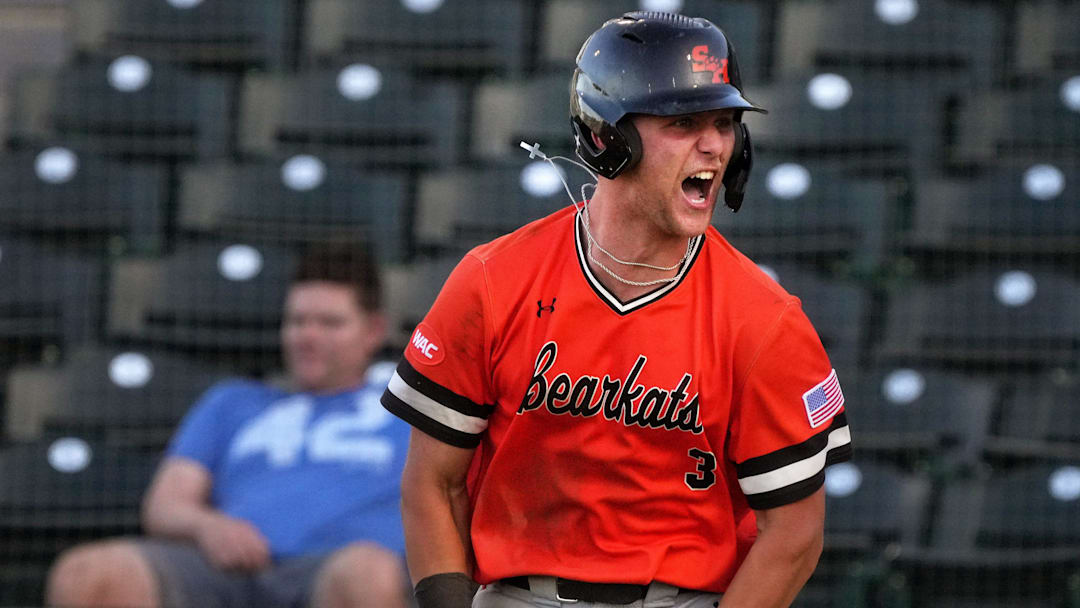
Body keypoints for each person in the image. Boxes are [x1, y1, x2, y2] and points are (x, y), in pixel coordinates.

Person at [381, 11, 853, 608]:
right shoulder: (492, 281)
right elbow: (432, 483)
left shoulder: (765, 320)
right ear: (608, 137)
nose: (714, 145)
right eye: (684, 122)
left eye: (726, 123)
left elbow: (795, 535)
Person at [46, 244, 413, 608]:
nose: (308, 336)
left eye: (330, 323)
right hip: (224, 570)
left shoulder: (405, 412)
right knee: (86, 574)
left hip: (334, 570)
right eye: (297, 321)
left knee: (368, 575)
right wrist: (207, 527)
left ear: (373, 331)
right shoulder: (232, 402)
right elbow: (165, 504)